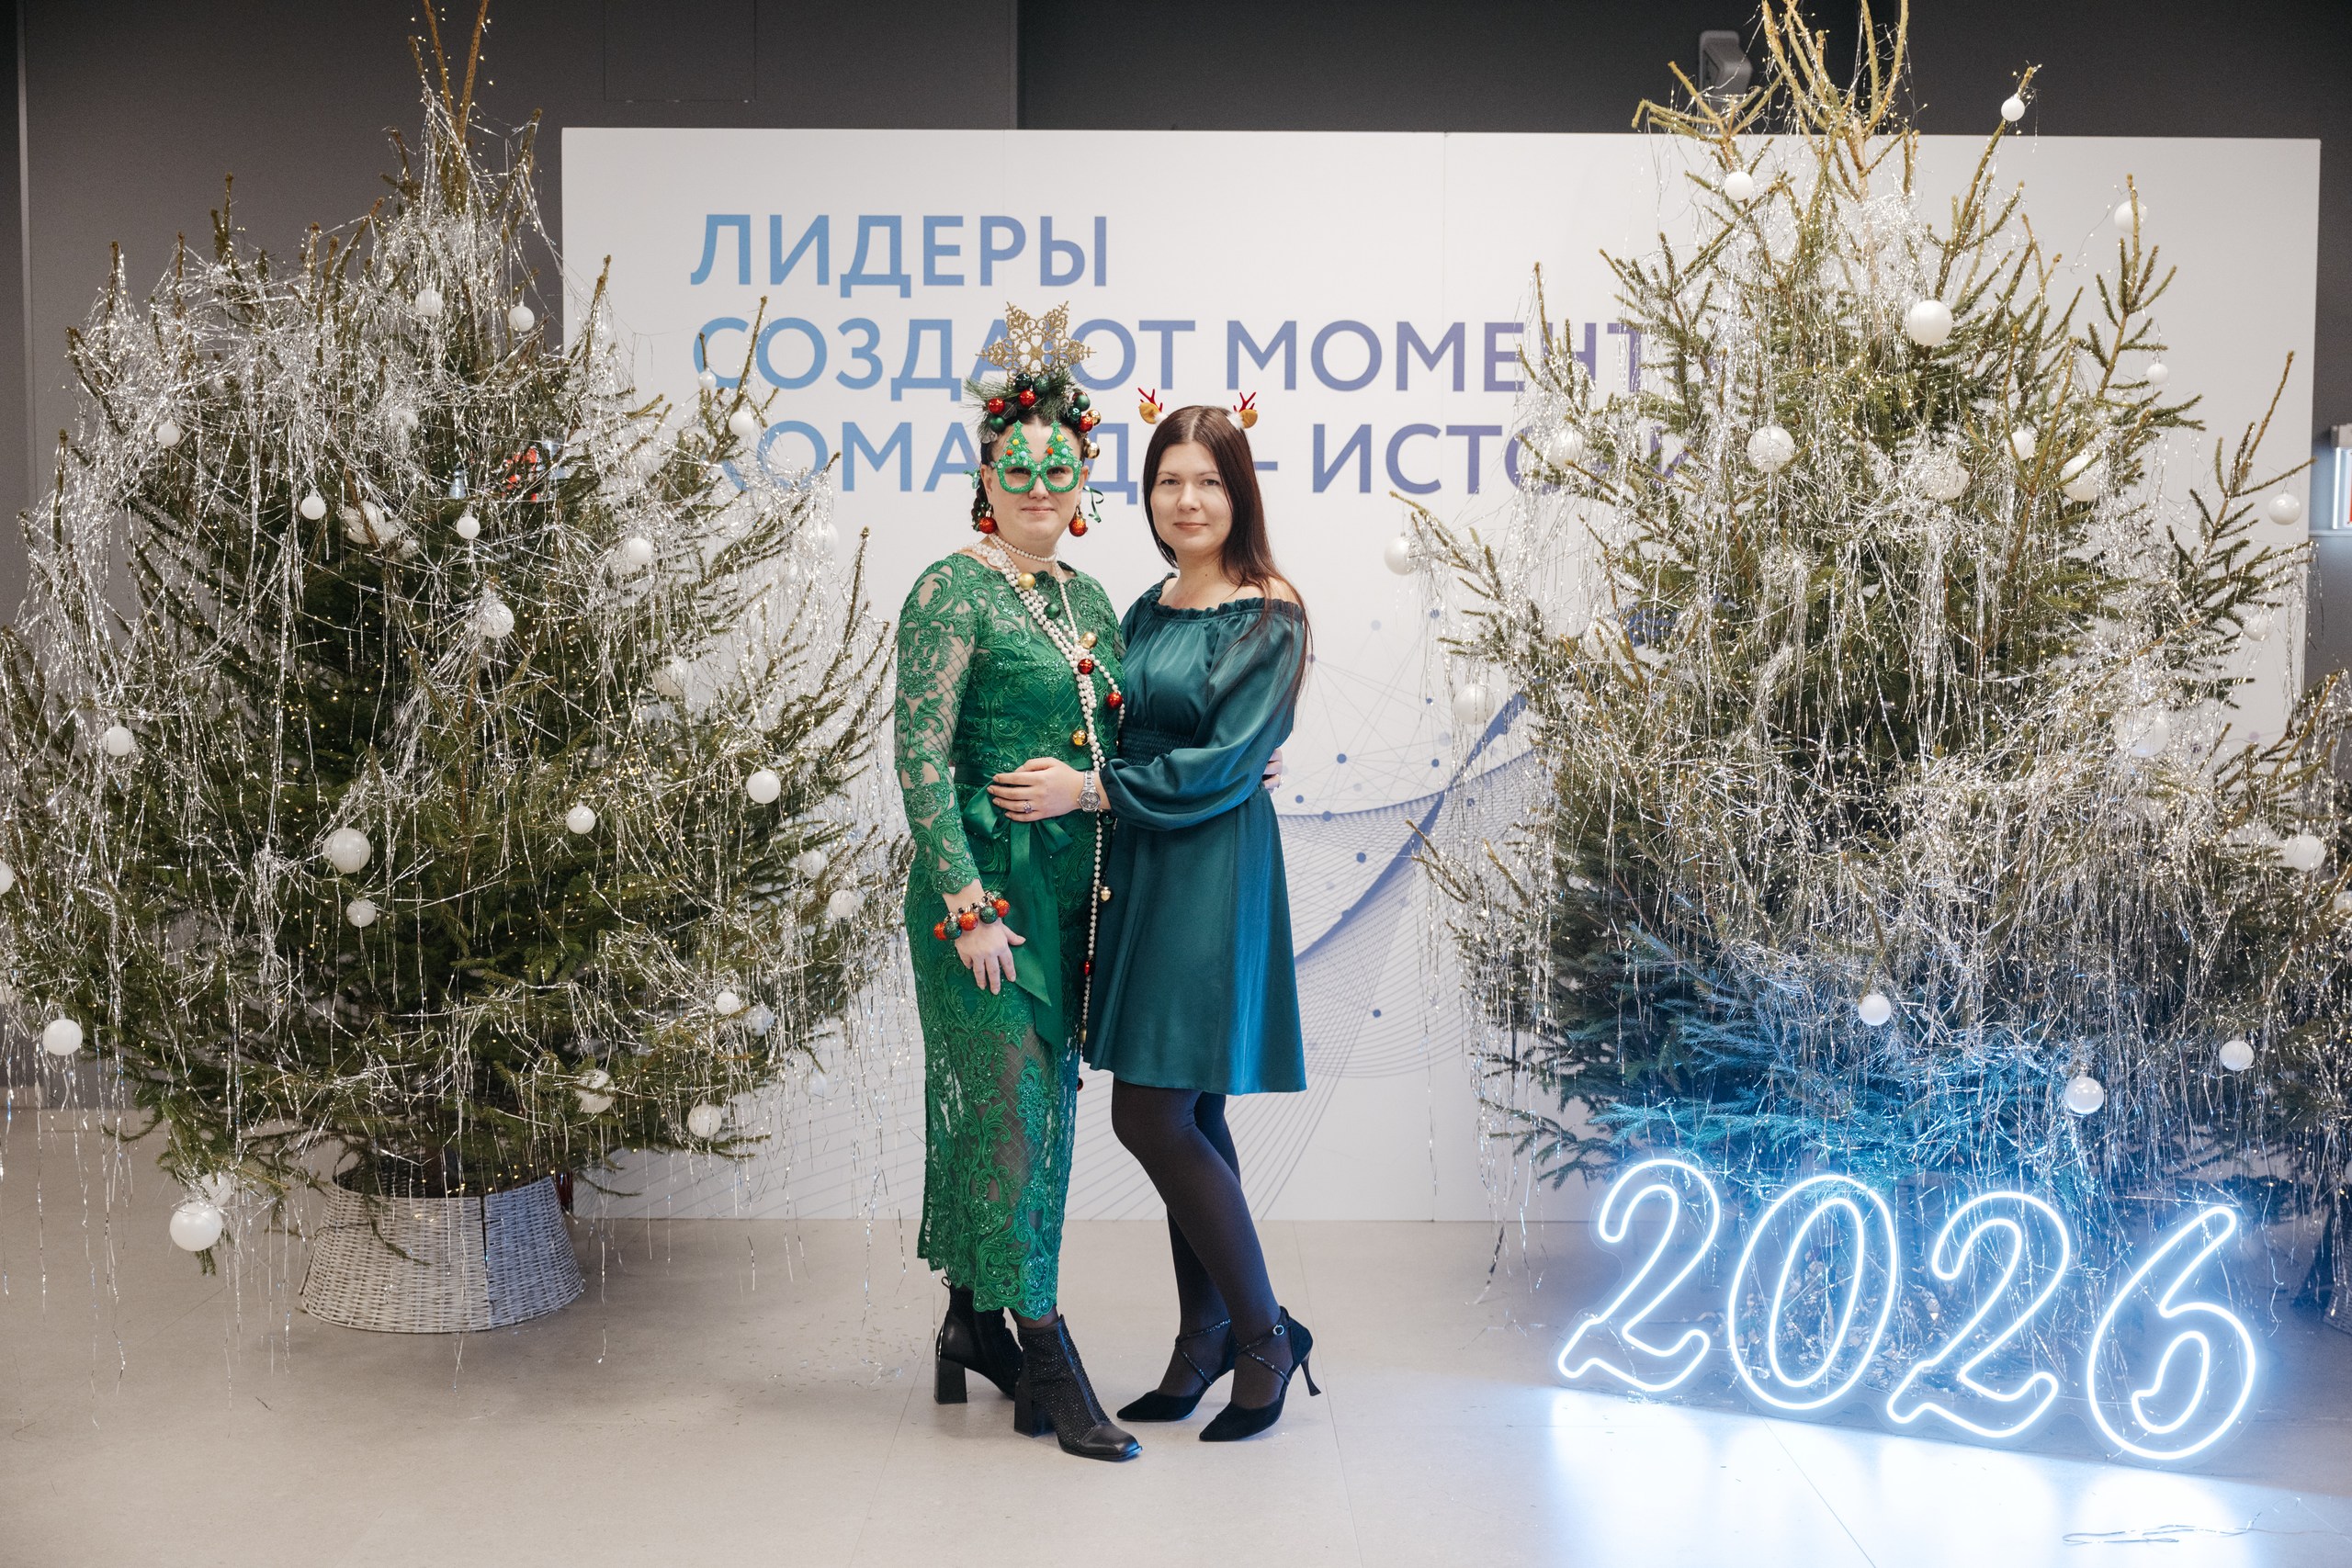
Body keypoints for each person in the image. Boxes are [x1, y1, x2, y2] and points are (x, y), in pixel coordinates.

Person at [989, 401, 1317, 1443]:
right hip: (1144, 864)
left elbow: (1219, 764)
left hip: (1210, 871)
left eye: (1208, 481)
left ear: (1239, 493)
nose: (1187, 500)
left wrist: (1090, 791)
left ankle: (1266, 1335)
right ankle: (1204, 1337)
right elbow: (1114, 722)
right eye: (1169, 481)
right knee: (1194, 1113)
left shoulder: (1270, 613)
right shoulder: (1148, 606)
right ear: (1146, 495)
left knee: (1153, 1114)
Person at [894, 306, 1137, 1462]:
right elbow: (917, 756)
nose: (1039, 485)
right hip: (985, 908)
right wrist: (966, 907)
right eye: (1017, 466)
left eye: (1060, 467)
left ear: (1084, 478)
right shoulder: (951, 590)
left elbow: (1121, 744)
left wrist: (1233, 764)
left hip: (1069, 906)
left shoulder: (1089, 601)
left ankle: (967, 1322)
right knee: (1008, 1118)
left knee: (1037, 1115)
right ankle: (1042, 1348)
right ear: (984, 476)